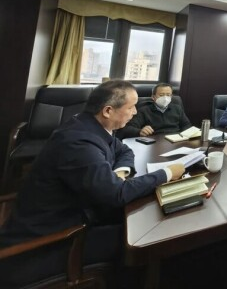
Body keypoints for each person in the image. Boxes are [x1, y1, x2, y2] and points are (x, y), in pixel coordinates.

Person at [0, 80, 185, 287]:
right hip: (52, 241)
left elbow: (124, 150)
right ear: (108, 110)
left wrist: (120, 172)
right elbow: (116, 194)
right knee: (141, 240)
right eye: (131, 107)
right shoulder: (79, 142)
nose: (135, 112)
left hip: (78, 213)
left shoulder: (91, 126)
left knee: (139, 219)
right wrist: (167, 173)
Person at [118, 82, 192, 139]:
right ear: (153, 97)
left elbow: (187, 125)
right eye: (161, 95)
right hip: (155, 141)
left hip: (175, 140)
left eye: (168, 95)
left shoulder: (177, 108)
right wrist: (140, 131)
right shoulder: (144, 111)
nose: (165, 98)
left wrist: (184, 136)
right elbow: (128, 128)